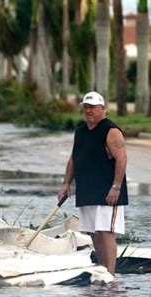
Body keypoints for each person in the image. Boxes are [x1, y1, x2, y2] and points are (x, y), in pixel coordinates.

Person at [58, 91, 128, 275]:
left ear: (102, 109)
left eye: (92, 107)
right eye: (86, 107)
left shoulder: (111, 130)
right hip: (87, 190)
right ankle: (102, 270)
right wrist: (66, 183)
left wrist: (116, 187)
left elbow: (122, 159)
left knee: (106, 231)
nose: (88, 111)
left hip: (107, 191)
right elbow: (74, 158)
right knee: (94, 232)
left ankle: (110, 275)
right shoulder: (81, 130)